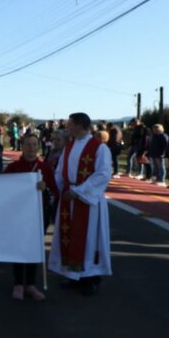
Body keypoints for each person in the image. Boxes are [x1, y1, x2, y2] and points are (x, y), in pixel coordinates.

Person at [48, 112, 112, 296]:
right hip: (69, 197)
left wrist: (78, 191)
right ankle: (73, 275)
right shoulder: (69, 146)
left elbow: (103, 174)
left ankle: (90, 278)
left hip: (87, 201)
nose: (67, 127)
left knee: (89, 240)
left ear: (80, 125)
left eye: (70, 124)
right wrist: (54, 191)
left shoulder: (99, 148)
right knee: (69, 236)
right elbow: (60, 172)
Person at [5, 133, 58, 301]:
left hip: (39, 214)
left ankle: (30, 284)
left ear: (38, 147)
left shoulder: (45, 168)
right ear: (22, 146)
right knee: (19, 247)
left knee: (34, 248)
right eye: (28, 144)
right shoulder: (12, 168)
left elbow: (54, 194)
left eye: (34, 144)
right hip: (18, 214)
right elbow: (3, 191)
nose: (31, 148)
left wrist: (45, 189)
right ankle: (18, 283)